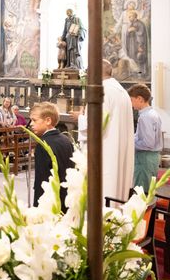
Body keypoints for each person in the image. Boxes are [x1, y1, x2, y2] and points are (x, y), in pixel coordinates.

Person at [77, 60, 134, 201]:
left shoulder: (101, 91)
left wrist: (80, 118)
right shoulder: (121, 91)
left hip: (106, 150)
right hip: (118, 148)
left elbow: (95, 125)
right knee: (116, 191)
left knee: (103, 192)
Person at [30, 102, 74, 207]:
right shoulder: (66, 140)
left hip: (49, 202)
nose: (31, 124)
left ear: (48, 120)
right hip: (66, 197)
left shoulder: (43, 145)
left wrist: (38, 205)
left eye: (34, 120)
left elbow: (42, 178)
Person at [129, 84, 162, 192]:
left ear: (140, 99)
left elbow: (148, 143)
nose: (131, 103)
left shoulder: (145, 117)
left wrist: (130, 143)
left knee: (141, 192)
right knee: (149, 191)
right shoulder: (152, 113)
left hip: (145, 158)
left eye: (132, 100)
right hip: (151, 158)